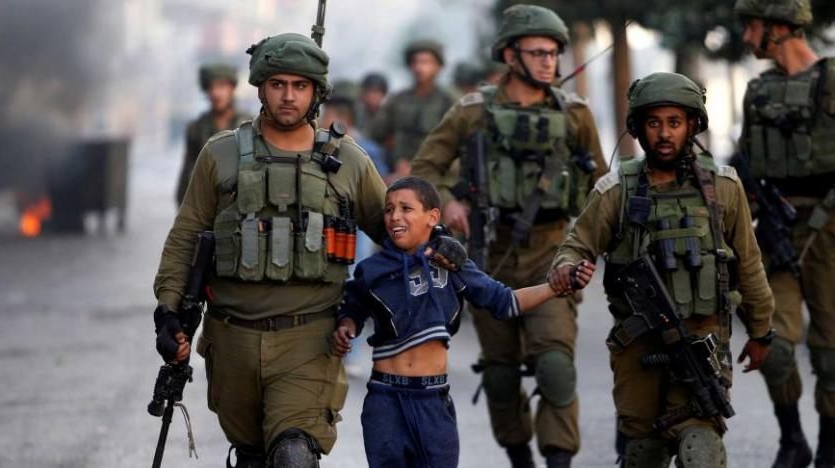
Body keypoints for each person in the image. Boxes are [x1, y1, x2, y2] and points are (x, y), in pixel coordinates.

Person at [152, 33, 466, 468]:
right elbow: (186, 235)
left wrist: (438, 241)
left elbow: (393, 227)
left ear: (316, 92)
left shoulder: (348, 161)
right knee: (252, 456)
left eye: (300, 86)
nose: (288, 96)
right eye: (277, 84)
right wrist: (168, 310)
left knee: (294, 455)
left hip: (310, 340)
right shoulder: (220, 154)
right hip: (231, 339)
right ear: (260, 88)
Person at [411, 5, 606, 467]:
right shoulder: (472, 112)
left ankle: (558, 460)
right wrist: (447, 203)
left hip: (552, 252)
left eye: (553, 53)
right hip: (487, 254)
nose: (548, 62)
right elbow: (424, 170)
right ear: (510, 55)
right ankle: (519, 456)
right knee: (499, 376)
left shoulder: (574, 114)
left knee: (555, 366)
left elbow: (602, 190)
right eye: (537, 52)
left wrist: (593, 246)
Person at [548, 72, 775, 467]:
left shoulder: (723, 188)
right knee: (643, 450)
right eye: (654, 123)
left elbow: (749, 264)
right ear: (639, 128)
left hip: (702, 340)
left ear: (693, 125)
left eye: (675, 122)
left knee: (701, 448)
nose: (665, 133)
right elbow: (575, 246)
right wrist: (568, 269)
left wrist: (761, 330)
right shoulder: (616, 191)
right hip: (639, 345)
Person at [332, 176, 559, 468]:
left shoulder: (452, 264)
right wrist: (346, 327)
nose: (395, 216)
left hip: (433, 400)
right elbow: (352, 309)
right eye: (388, 209)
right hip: (384, 400)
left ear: (432, 217)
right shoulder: (371, 270)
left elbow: (504, 301)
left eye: (406, 208)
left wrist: (555, 287)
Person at [734, 1, 835, 466]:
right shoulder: (758, 91)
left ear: (777, 28)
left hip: (829, 230)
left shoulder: (831, 80)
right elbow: (746, 164)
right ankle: (792, 438)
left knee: (831, 352)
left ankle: (830, 443)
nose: (746, 37)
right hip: (776, 231)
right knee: (771, 342)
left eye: (752, 27)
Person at [367, 39, 457, 181]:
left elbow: (454, 144)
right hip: (398, 171)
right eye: (415, 62)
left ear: (438, 67)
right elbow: (375, 134)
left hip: (436, 175)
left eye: (426, 62)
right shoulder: (397, 100)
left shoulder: (449, 101)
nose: (419, 67)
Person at [176, 62, 252, 206]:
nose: (216, 93)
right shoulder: (196, 129)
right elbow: (187, 174)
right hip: (206, 206)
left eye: (221, 86)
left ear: (232, 88)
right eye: (211, 87)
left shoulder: (249, 126)